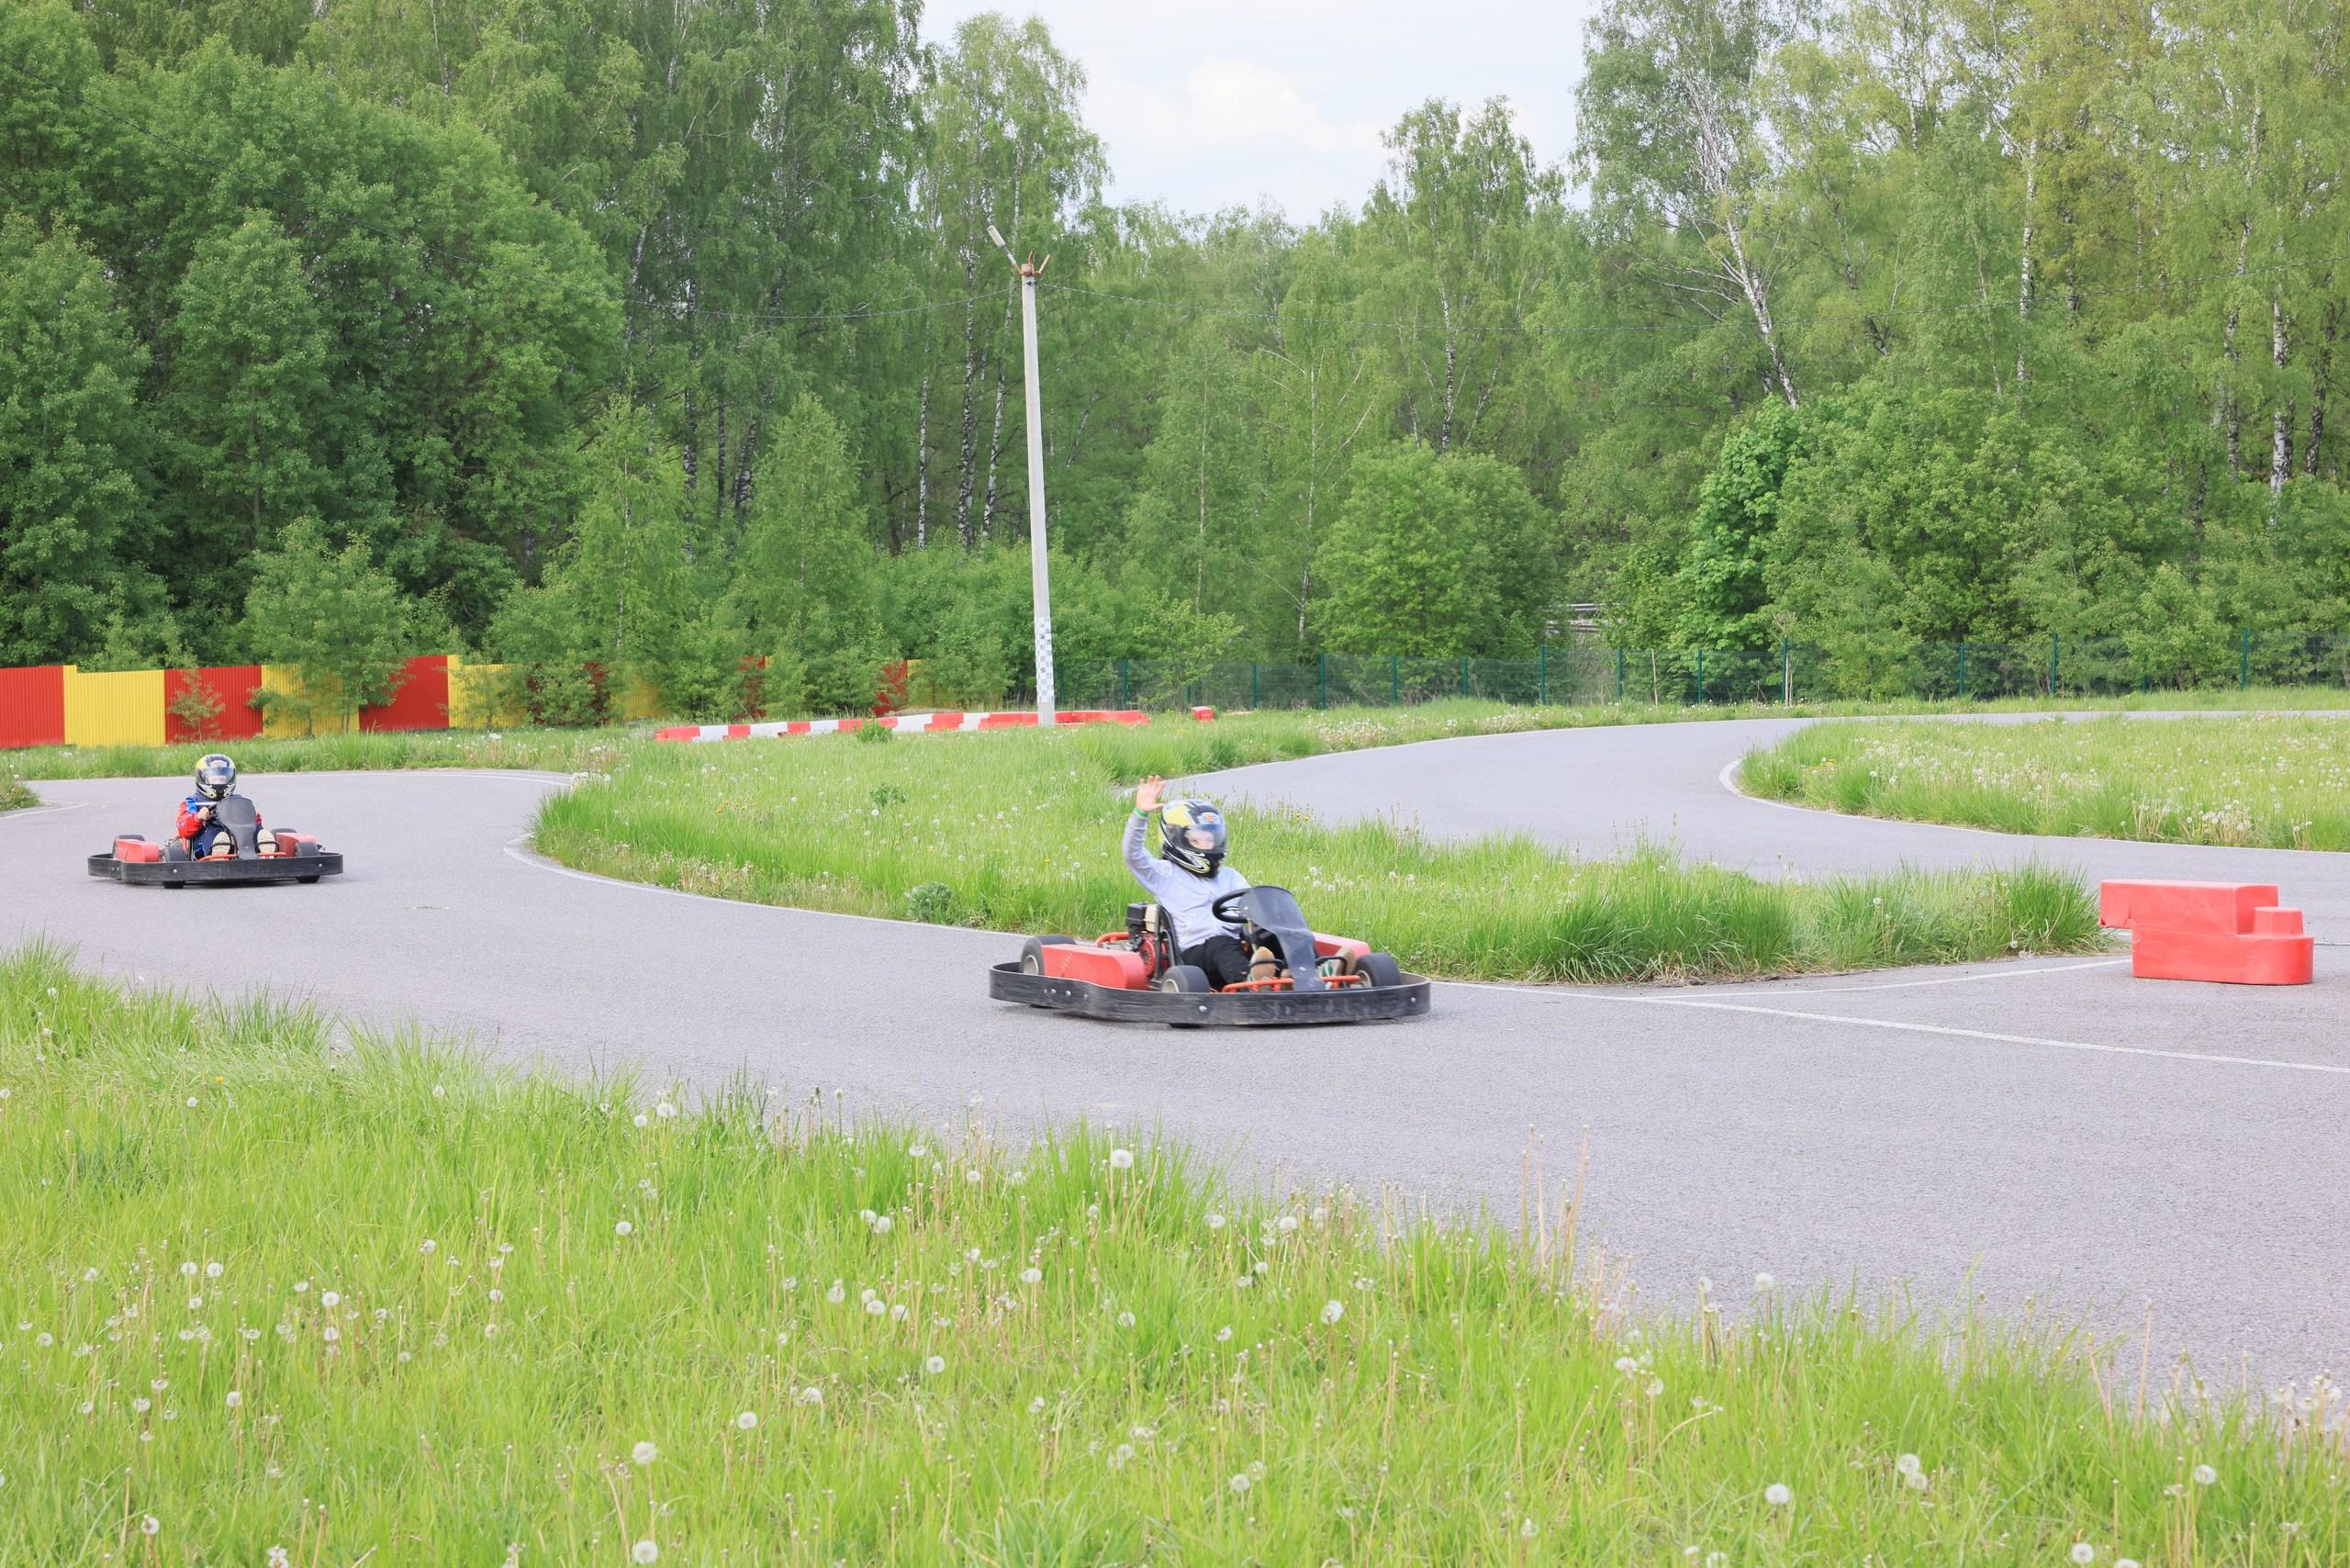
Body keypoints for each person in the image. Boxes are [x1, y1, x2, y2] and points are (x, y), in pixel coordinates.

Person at [1125, 775, 1273, 990]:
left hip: (1233, 949)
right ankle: (1252, 985)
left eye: (1210, 839)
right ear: (1178, 839)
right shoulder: (1165, 875)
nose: (1206, 844)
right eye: (1197, 839)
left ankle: (1317, 974)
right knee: (1220, 944)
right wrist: (1141, 814)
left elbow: (1254, 907)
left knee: (1274, 932)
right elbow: (1133, 855)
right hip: (1194, 956)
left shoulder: (1230, 877)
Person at [175, 753, 274, 860]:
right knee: (217, 835)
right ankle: (218, 854)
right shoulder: (192, 802)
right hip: (207, 836)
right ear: (202, 778)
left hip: (240, 835)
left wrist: (252, 817)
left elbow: (253, 820)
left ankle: (265, 849)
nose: (219, 783)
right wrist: (198, 817)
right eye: (214, 779)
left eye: (222, 779)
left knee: (254, 830)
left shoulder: (237, 799)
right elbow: (183, 829)